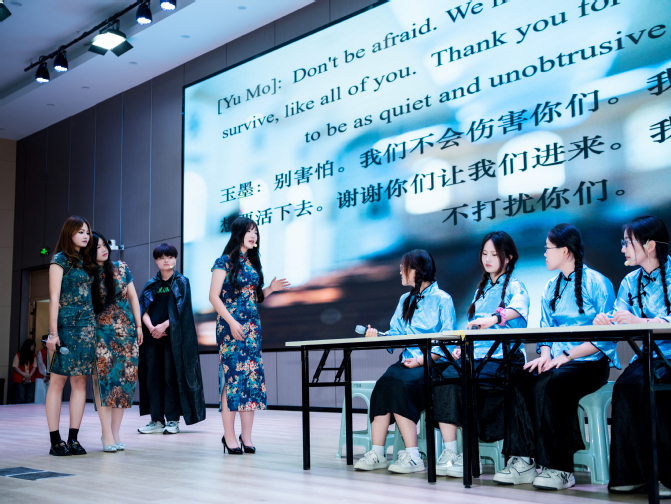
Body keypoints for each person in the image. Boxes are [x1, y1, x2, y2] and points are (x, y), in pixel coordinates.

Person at [493, 223, 620, 490]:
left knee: (552, 385)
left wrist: (566, 355)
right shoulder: (551, 286)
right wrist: (545, 355)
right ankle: (523, 460)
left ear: (565, 251)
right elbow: (546, 328)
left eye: (548, 248)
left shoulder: (598, 282)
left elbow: (607, 337)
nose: (544, 253)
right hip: (559, 361)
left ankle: (560, 468)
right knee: (520, 379)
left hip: (589, 363)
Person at [434, 231, 529, 478]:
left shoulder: (515, 285)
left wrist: (495, 318)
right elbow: (473, 328)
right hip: (477, 358)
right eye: (484, 254)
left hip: (504, 359)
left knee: (464, 383)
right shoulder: (481, 290)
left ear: (508, 257)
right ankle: (452, 452)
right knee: (443, 379)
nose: (487, 259)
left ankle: (470, 453)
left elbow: (518, 310)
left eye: (494, 254)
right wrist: (463, 346)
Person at [354, 249, 457, 474]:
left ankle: (413, 457)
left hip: (432, 364)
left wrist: (421, 361)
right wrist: (378, 336)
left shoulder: (443, 299)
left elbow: (447, 342)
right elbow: (396, 334)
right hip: (407, 362)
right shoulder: (405, 299)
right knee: (383, 385)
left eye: (404, 267)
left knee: (401, 385)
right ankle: (377, 453)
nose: (400, 271)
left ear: (417, 270)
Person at [593, 215, 670, 497]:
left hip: (668, 357)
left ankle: (667, 476)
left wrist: (639, 320)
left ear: (649, 245)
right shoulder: (629, 281)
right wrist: (606, 321)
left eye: (628, 243)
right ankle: (631, 475)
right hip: (648, 357)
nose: (623, 249)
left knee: (653, 389)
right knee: (625, 386)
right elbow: (621, 316)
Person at [209, 217, 290, 454]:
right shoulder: (223, 261)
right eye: (249, 231)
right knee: (233, 380)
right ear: (238, 233)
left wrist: (271, 289)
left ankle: (247, 436)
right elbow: (213, 297)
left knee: (251, 380)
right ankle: (229, 436)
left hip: (252, 328)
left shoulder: (252, 262)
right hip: (230, 327)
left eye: (256, 231)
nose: (253, 235)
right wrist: (232, 322)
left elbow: (252, 297)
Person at [138, 243, 206, 434]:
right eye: (161, 258)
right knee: (152, 378)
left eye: (169, 257)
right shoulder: (151, 284)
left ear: (175, 259)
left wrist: (163, 326)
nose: (166, 260)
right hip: (152, 338)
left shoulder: (182, 282)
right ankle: (156, 420)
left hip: (173, 339)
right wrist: (152, 328)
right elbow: (142, 310)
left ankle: (172, 420)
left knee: (171, 378)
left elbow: (182, 311)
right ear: (156, 261)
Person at [45, 215, 97, 456]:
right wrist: (53, 334)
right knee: (57, 382)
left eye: (87, 232)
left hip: (87, 328)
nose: (86, 236)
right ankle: (55, 440)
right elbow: (54, 298)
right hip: (65, 328)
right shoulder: (59, 260)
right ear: (69, 233)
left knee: (80, 383)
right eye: (80, 232)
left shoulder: (87, 261)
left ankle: (73, 439)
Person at [89, 232, 143, 452]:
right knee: (104, 383)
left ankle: (116, 432)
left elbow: (133, 297)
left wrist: (139, 326)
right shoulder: (88, 273)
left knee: (124, 383)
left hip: (127, 332)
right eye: (97, 247)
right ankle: (106, 434)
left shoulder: (121, 267)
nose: (103, 249)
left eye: (104, 245)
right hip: (101, 334)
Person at [13, 339, 37, 404]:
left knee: (30, 397)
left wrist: (29, 376)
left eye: (34, 345)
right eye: (32, 345)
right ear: (28, 346)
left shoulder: (33, 355)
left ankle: (29, 410)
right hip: (20, 379)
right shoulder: (18, 355)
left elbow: (34, 367)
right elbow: (15, 367)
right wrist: (25, 375)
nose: (33, 347)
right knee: (21, 397)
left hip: (30, 379)